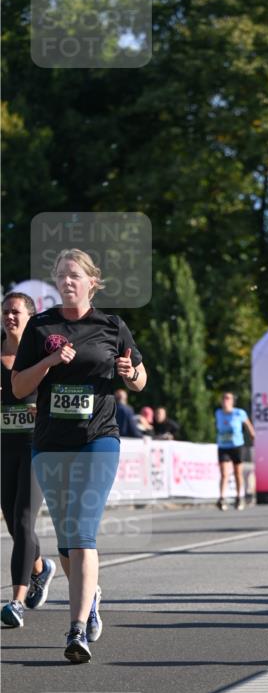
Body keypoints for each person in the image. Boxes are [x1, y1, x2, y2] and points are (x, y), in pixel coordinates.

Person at [12, 248, 147, 663]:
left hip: (97, 439)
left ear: (92, 281)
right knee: (67, 540)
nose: (67, 282)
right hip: (50, 442)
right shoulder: (41, 326)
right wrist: (50, 361)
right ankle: (92, 595)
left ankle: (76, 631)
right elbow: (18, 388)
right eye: (61, 276)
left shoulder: (111, 325)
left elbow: (140, 379)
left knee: (83, 531)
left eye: (75, 276)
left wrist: (131, 374)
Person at [1, 292, 56, 628]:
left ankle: (16, 600)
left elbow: (58, 391)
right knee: (11, 523)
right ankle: (40, 568)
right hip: (3, 447)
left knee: (23, 520)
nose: (9, 317)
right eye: (5, 312)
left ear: (30, 317)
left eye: (15, 312)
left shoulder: (39, 352)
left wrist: (43, 408)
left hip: (36, 446)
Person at [214, 391, 255, 510]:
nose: (225, 401)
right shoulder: (218, 413)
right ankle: (222, 498)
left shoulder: (239, 413)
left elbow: (248, 424)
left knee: (237, 472)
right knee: (224, 473)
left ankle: (239, 497)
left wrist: (252, 434)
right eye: (223, 398)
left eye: (228, 398)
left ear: (232, 401)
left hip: (237, 445)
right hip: (223, 446)